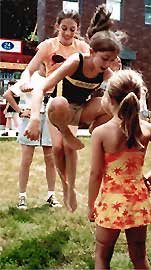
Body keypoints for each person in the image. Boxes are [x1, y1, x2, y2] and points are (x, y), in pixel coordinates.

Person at [24, 4, 123, 212]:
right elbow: (42, 87)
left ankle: (98, 133)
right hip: (59, 108)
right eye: (104, 59)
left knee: (112, 100)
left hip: (81, 110)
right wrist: (34, 118)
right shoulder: (74, 60)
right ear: (92, 52)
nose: (106, 64)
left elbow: (123, 96)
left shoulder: (105, 71)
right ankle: (66, 186)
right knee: (59, 147)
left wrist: (133, 123)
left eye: (111, 60)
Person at [87, 69, 151, 269]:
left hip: (111, 201)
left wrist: (90, 205)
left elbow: (95, 174)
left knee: (102, 256)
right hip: (138, 200)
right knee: (139, 257)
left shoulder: (101, 132)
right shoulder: (146, 128)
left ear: (110, 99)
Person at [18, 9, 90, 212]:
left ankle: (70, 188)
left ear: (78, 30)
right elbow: (29, 69)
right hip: (53, 99)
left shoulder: (83, 47)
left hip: (75, 101)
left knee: (68, 149)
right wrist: (25, 82)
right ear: (57, 26)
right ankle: (65, 187)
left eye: (72, 29)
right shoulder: (48, 46)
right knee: (57, 149)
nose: (68, 33)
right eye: (64, 28)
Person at [3, 67, 61, 209]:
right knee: (26, 160)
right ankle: (22, 196)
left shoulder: (57, 76)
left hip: (49, 118)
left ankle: (51, 195)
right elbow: (8, 94)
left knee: (50, 159)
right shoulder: (30, 77)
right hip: (31, 118)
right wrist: (20, 111)